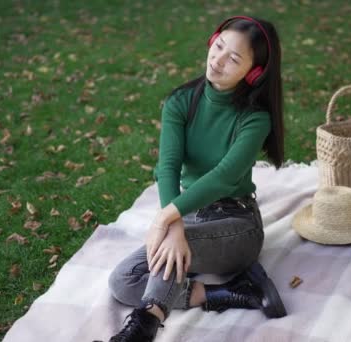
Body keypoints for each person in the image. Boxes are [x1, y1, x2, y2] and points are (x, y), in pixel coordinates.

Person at [105, 16, 286, 342]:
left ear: (254, 72)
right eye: (218, 47)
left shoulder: (255, 119)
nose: (217, 60)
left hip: (238, 225)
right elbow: (168, 167)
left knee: (168, 254)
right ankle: (230, 291)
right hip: (189, 217)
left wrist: (167, 219)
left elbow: (224, 177)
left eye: (233, 59)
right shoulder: (180, 102)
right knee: (123, 281)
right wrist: (172, 223)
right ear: (211, 40)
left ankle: (142, 330)